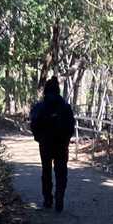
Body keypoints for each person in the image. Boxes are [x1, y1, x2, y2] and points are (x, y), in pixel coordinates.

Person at [30, 77, 76, 212]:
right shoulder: (65, 107)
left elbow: (34, 124)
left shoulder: (40, 106)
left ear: (45, 90)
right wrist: (66, 139)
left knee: (46, 171)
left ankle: (48, 199)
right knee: (61, 172)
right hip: (61, 144)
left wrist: (39, 138)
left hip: (45, 144)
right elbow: (71, 126)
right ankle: (59, 197)